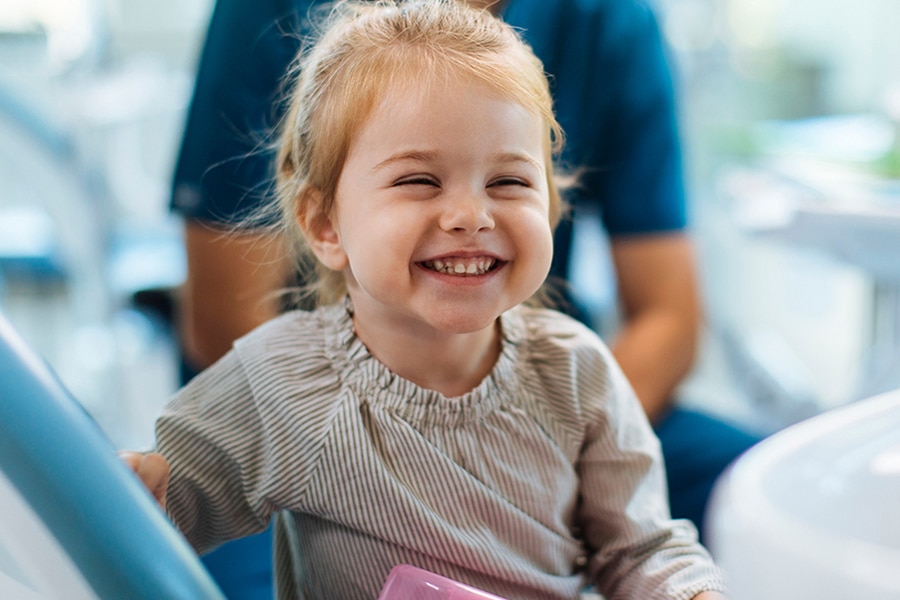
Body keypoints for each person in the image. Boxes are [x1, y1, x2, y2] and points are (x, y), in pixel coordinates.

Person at [127, 2, 728, 598]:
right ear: (324, 224)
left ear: (549, 206)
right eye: (419, 181)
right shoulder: (283, 383)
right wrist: (145, 484)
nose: (471, 214)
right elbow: (155, 505)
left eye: (509, 182)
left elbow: (643, 549)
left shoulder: (579, 375)